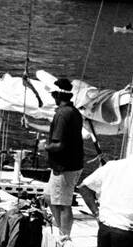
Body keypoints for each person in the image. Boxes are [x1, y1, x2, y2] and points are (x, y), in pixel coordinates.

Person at [43, 77, 84, 238]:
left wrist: (44, 147)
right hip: (72, 164)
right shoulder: (74, 112)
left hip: (64, 167)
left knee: (63, 204)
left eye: (54, 94)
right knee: (48, 196)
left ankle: (64, 235)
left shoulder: (61, 114)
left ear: (57, 96)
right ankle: (60, 227)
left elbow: (59, 144)